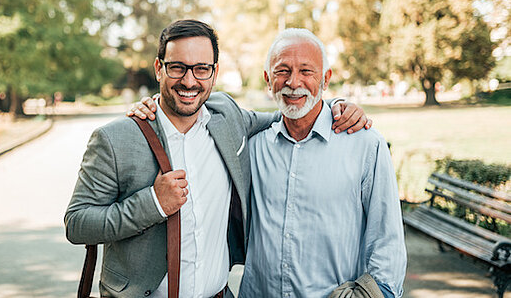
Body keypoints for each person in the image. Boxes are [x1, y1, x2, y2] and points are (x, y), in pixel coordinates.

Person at [65, 20, 370, 298]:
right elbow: (77, 223)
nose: (189, 81)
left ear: (214, 72)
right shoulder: (115, 139)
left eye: (201, 69)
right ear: (159, 68)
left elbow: (288, 112)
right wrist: (153, 204)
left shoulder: (227, 116)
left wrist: (336, 107)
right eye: (177, 68)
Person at [238, 28, 406, 298]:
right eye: (282, 71)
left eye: (307, 71)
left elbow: (387, 240)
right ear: (268, 80)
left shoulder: (365, 145)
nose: (294, 82)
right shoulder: (253, 148)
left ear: (326, 79)